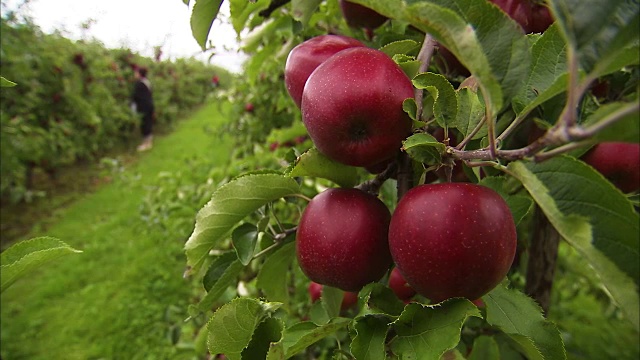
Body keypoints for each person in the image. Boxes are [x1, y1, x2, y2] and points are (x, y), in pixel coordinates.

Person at [131, 67, 155, 151]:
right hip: (150, 105)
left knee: (144, 124)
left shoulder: (139, 84)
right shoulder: (147, 82)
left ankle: (145, 144)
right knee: (148, 123)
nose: (135, 74)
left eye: (136, 73)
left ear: (139, 74)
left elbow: (135, 97)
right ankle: (149, 143)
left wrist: (132, 107)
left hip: (143, 107)